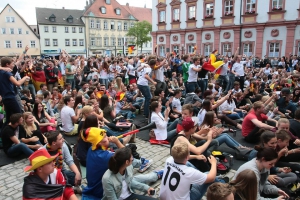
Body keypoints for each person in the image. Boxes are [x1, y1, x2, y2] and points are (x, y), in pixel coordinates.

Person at [81, 127, 158, 200]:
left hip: (102, 185)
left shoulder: (91, 149)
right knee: (138, 178)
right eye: (104, 137)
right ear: (99, 142)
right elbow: (130, 158)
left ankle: (156, 175)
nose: (107, 137)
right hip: (106, 189)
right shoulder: (106, 157)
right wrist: (117, 142)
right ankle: (156, 174)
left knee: (131, 179)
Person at [0, 57, 30, 125]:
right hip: (10, 97)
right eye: (12, 63)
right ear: (7, 64)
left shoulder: (1, 72)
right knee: (19, 115)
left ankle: (5, 133)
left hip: (5, 98)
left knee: (9, 118)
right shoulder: (7, 73)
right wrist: (25, 77)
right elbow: (18, 83)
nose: (13, 65)